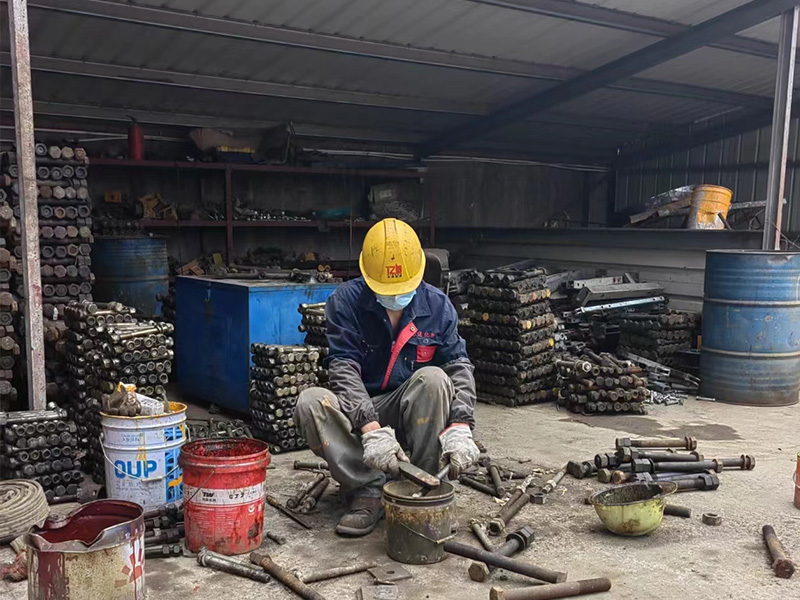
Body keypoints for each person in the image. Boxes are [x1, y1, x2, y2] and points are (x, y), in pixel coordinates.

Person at [296, 218, 479, 536]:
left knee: (434, 379)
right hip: (359, 411)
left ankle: (424, 487)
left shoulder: (438, 306)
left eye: (402, 289)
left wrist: (461, 425)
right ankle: (367, 491)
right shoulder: (346, 302)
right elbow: (343, 368)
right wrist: (371, 429)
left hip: (412, 411)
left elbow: (458, 366)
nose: (395, 296)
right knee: (310, 403)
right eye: (386, 290)